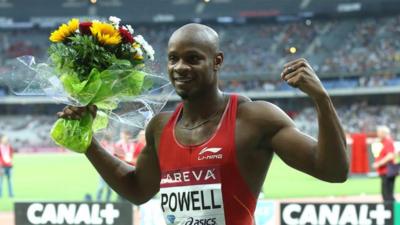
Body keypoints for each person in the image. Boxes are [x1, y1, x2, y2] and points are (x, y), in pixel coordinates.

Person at [58, 23, 348, 225]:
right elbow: (138, 189)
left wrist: (321, 99)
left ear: (217, 61)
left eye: (193, 58)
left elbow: (333, 171)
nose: (180, 67)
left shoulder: (254, 119)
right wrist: (88, 141)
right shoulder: (160, 128)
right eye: (173, 59)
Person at [372, 125, 397, 203]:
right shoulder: (382, 142)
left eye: (379, 132)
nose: (378, 134)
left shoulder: (388, 142)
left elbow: (390, 156)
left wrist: (378, 163)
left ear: (384, 133)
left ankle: (392, 211)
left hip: (388, 171)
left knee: (387, 195)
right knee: (386, 194)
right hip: (385, 171)